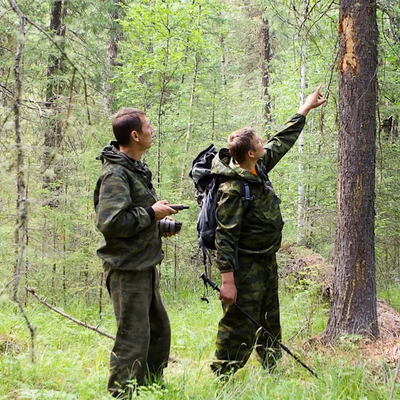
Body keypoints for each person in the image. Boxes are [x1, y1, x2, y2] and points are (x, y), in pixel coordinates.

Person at [210, 85, 327, 376]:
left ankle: (272, 371)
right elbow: (225, 237)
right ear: (250, 152)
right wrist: (227, 282)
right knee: (239, 322)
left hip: (266, 260)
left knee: (269, 318)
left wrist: (305, 109)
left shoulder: (257, 168)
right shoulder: (233, 189)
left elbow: (281, 140)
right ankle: (224, 375)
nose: (265, 143)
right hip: (244, 266)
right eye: (259, 141)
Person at [93, 108, 178, 397]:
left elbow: (134, 217)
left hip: (144, 266)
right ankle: (122, 394)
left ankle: (151, 390)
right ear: (135, 135)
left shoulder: (135, 169)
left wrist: (159, 224)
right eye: (148, 126)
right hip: (127, 270)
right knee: (132, 340)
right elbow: (111, 222)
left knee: (158, 333)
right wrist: (151, 214)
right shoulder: (115, 174)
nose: (152, 130)